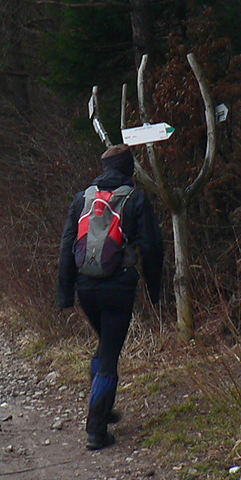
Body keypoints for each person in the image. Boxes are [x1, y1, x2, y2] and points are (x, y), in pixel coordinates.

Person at [57, 144, 163, 450]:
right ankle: (96, 429)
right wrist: (154, 289)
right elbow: (152, 247)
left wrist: (65, 292)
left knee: (105, 347)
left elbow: (67, 245)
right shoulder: (136, 199)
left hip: (86, 288)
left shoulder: (83, 198)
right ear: (129, 168)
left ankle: (103, 404)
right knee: (109, 355)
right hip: (119, 288)